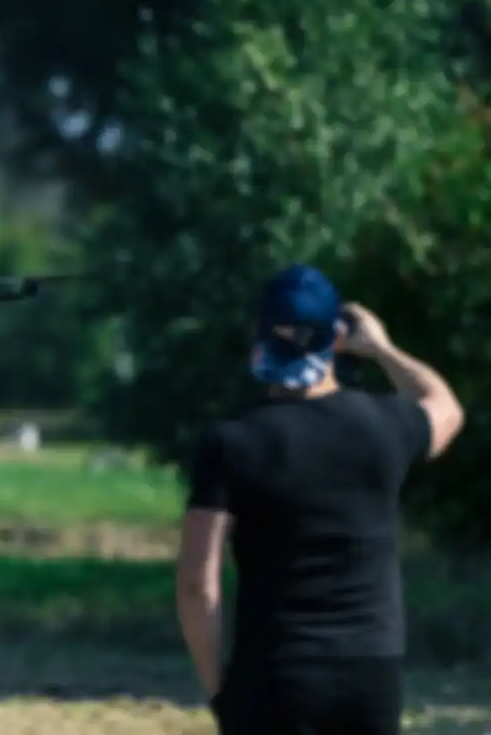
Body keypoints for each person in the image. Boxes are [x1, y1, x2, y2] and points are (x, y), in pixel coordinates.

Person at [176, 264, 464, 735]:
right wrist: (381, 348)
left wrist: (219, 691)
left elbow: (197, 586)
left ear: (259, 336)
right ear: (336, 338)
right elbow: (446, 407)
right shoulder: (385, 427)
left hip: (274, 673)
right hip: (371, 672)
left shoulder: (232, 444)